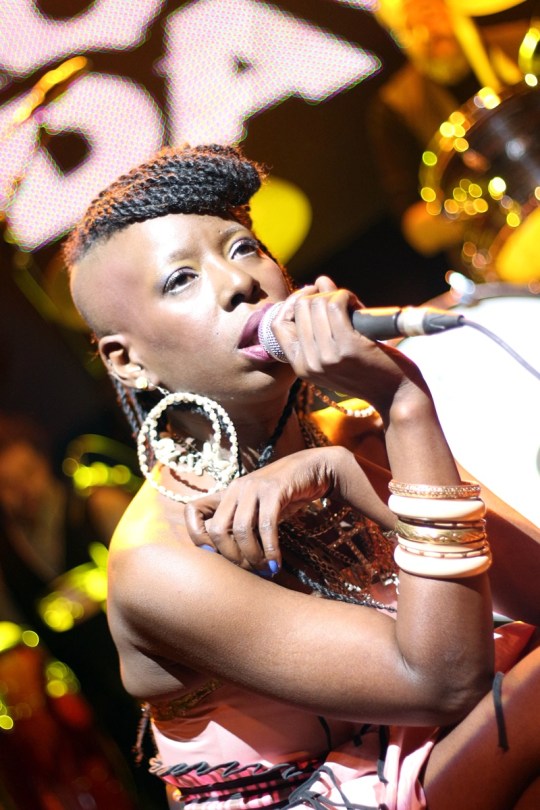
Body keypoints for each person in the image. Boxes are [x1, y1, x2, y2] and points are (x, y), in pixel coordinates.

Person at [63, 143, 540, 810]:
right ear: (128, 361)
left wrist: (345, 467)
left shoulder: (348, 435)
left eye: (243, 248)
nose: (239, 283)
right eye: (181, 280)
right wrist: (404, 405)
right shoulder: (158, 561)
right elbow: (442, 681)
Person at [0, 413, 166, 809]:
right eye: (7, 485)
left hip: (160, 679)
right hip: (94, 701)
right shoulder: (5, 555)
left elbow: (167, 581)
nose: (24, 491)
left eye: (28, 473)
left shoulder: (97, 505)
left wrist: (102, 589)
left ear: (44, 462)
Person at [368, 0, 528, 266]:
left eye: (431, 10)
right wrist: (480, 206)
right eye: (411, 23)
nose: (428, 29)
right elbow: (419, 232)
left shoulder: (521, 45)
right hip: (504, 260)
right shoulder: (396, 107)